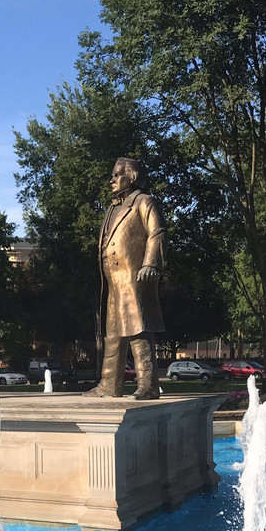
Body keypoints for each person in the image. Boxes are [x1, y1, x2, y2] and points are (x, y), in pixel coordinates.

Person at [85, 157, 165, 400]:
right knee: (113, 332)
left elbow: (157, 233)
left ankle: (148, 385)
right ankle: (109, 384)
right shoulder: (112, 208)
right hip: (112, 279)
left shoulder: (144, 201)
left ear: (132, 176)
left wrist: (150, 263)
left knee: (138, 330)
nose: (112, 179)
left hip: (133, 276)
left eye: (117, 174)